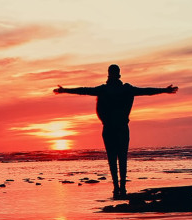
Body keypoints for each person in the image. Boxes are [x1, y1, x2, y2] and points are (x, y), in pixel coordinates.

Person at [54, 64, 177, 198]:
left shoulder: (106, 89)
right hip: (120, 128)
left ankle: (117, 187)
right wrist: (165, 90)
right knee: (121, 158)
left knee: (114, 158)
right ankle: (121, 187)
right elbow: (146, 91)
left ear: (109, 74)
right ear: (119, 75)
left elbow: (84, 90)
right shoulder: (124, 89)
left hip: (111, 128)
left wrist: (65, 90)